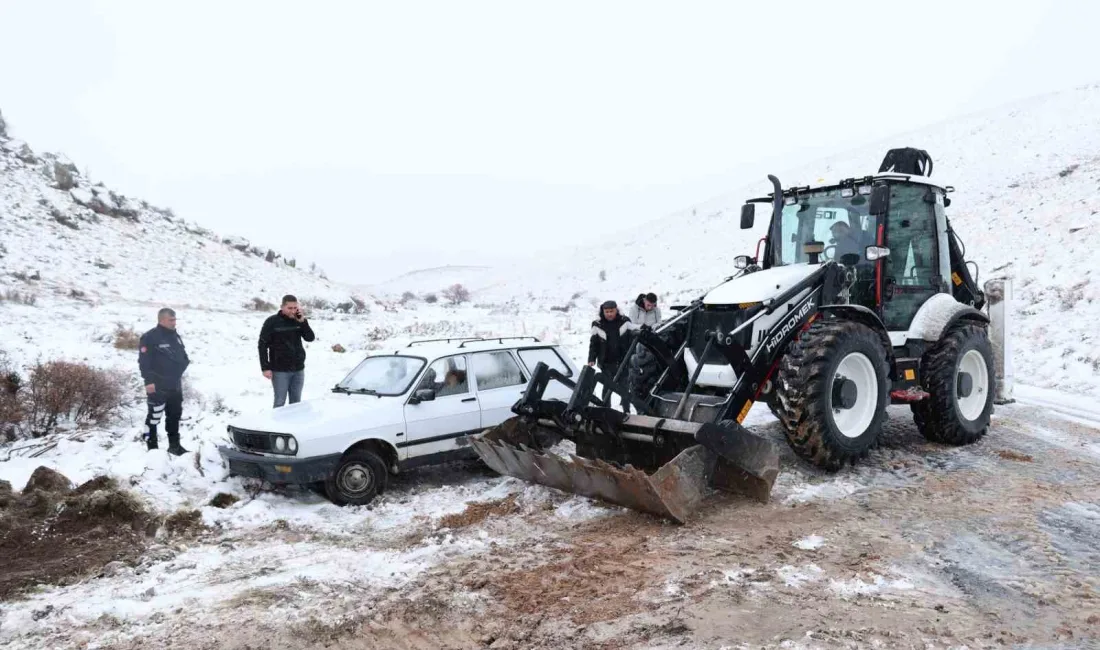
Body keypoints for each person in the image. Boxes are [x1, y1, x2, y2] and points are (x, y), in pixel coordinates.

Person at [138, 308, 191, 455]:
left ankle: (174, 446)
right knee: (154, 416)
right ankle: (152, 448)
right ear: (161, 320)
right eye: (171, 320)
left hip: (174, 384)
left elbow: (183, 357)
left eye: (175, 320)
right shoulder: (150, 337)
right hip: (157, 384)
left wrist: (180, 370)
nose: (174, 323)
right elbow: (144, 362)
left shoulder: (175, 336)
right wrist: (149, 381)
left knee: (174, 415)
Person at [258, 295, 316, 407]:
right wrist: (265, 367)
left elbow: (310, 338)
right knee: (280, 402)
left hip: (298, 368)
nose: (293, 311)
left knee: (296, 403)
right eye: (290, 308)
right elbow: (262, 345)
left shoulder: (299, 321)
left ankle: (294, 424)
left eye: (295, 307)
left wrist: (303, 322)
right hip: (280, 370)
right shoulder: (271, 322)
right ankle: (276, 425)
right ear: (282, 307)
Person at [587, 300, 636, 408]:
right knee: (607, 386)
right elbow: (593, 343)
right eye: (607, 311)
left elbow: (634, 337)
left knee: (624, 386)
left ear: (616, 310)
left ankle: (626, 408)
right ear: (603, 312)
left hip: (623, 360)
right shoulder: (597, 324)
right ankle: (605, 408)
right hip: (606, 362)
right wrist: (591, 358)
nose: (609, 314)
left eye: (611, 311)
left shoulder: (625, 321)